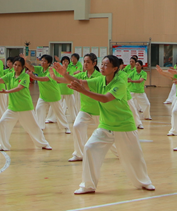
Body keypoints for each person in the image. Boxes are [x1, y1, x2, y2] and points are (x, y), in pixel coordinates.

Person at [57, 55, 155, 195]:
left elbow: (105, 99)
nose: (102, 67)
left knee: (135, 157)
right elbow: (81, 81)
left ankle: (144, 182)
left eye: (106, 65)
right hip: (106, 125)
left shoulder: (120, 82)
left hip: (124, 125)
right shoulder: (100, 79)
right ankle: (88, 185)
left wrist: (83, 91)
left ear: (114, 68)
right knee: (89, 148)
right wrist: (64, 74)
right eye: (102, 64)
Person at [0, 56, 51, 151]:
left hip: (25, 107)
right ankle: (4, 146)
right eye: (15, 64)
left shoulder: (25, 76)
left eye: (19, 65)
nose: (16, 67)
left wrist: (6, 91)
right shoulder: (10, 75)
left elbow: (19, 88)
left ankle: (44, 144)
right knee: (3, 122)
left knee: (33, 127)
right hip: (12, 107)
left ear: (22, 67)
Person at [50, 53, 103, 162]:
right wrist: (56, 77)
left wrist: (64, 74)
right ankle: (79, 154)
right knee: (77, 126)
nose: (85, 64)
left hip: (99, 110)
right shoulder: (82, 75)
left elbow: (78, 82)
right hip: (85, 109)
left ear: (94, 63)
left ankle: (119, 153)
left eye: (88, 62)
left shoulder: (99, 77)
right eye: (84, 62)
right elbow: (68, 80)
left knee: (106, 134)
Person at [28, 55, 70, 134]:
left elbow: (46, 79)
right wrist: (24, 60)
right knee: (39, 109)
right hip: (43, 96)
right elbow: (31, 67)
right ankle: (40, 127)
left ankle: (66, 127)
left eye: (44, 61)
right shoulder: (40, 69)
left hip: (53, 96)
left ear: (48, 63)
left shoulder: (51, 70)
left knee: (59, 113)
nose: (42, 62)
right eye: (42, 60)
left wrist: (35, 77)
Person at [127, 56, 152, 123]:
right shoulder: (133, 72)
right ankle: (130, 118)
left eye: (138, 65)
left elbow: (140, 80)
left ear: (141, 66)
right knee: (130, 106)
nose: (136, 66)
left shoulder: (144, 73)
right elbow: (127, 78)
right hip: (132, 92)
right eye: (136, 65)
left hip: (140, 92)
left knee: (147, 104)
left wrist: (131, 81)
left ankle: (147, 116)